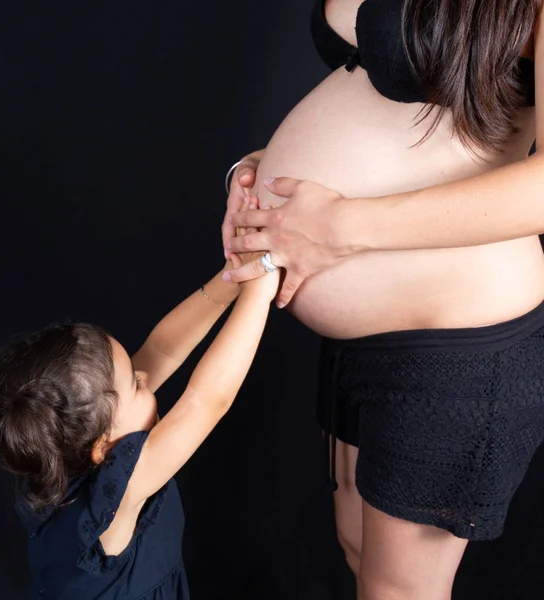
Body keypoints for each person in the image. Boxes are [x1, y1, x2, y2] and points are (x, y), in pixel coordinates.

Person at [219, 1, 544, 599]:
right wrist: (262, 180)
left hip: (454, 338)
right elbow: (375, 102)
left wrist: (338, 225)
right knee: (357, 546)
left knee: (399, 591)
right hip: (365, 332)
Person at [0, 202, 278, 600]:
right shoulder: (117, 498)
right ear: (103, 448)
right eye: (136, 385)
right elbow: (206, 401)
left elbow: (162, 350)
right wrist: (258, 290)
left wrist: (232, 277)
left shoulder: (65, 441)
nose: (145, 376)